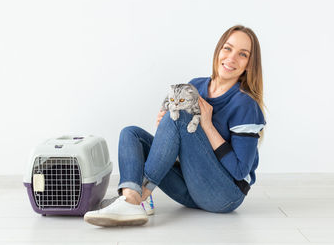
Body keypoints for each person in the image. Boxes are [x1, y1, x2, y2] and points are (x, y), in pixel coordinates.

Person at [84, 25, 266, 227]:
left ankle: (135, 199)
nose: (231, 58)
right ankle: (131, 197)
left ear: (250, 64)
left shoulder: (245, 105)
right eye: (227, 48)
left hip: (224, 196)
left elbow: (240, 171)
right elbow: (186, 150)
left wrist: (206, 124)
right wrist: (167, 128)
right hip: (190, 189)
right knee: (131, 134)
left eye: (242, 54)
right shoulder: (195, 85)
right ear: (218, 51)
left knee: (178, 115)